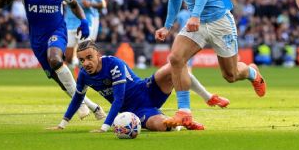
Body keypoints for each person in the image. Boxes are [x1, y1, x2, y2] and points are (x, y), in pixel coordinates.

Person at [153, 0, 267, 128]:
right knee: (176, 59)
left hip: (219, 21)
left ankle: (251, 73)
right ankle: (184, 112)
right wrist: (167, 25)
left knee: (230, 75)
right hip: (197, 22)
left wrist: (195, 15)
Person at [0, 0, 105, 120]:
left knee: (55, 59)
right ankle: (92, 106)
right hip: (37, 40)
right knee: (59, 79)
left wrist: (83, 21)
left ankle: (81, 105)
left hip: (57, 32)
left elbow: (74, 5)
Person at [48, 40, 229, 132]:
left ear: (98, 55)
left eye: (89, 58)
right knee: (159, 125)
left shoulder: (113, 64)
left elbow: (118, 99)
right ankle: (181, 124)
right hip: (135, 111)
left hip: (147, 89)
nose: (86, 63)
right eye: (81, 60)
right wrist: (62, 124)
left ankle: (208, 97)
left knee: (176, 64)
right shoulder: (84, 76)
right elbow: (77, 99)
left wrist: (105, 127)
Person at [63, 0, 107, 119]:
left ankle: (90, 80)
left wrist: (92, 4)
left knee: (86, 56)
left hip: (85, 23)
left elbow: (102, 4)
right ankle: (80, 76)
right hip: (68, 24)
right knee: (68, 57)